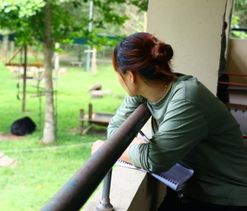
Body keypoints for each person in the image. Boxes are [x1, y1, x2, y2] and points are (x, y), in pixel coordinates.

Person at [92, 32, 247, 211]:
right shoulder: (146, 91)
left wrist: (107, 150)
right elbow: (114, 130)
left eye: (118, 73)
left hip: (228, 197)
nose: (118, 79)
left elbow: (154, 159)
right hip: (194, 188)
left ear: (131, 76)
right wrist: (135, 147)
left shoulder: (187, 98)